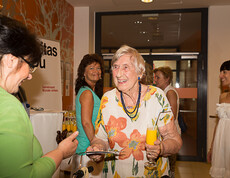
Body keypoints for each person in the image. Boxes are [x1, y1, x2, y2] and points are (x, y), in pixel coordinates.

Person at [0, 15, 78, 177]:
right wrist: (61, 152)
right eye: (30, 66)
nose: (29, 76)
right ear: (10, 60)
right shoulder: (8, 106)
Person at [87, 45, 182, 178]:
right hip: (115, 174)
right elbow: (100, 138)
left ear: (140, 72)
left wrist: (161, 148)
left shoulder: (156, 97)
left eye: (126, 67)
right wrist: (97, 148)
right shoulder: (107, 99)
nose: (119, 74)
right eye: (115, 67)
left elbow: (175, 141)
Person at [71, 54, 104, 177]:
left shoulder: (90, 92)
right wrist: (95, 143)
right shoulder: (87, 93)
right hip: (86, 150)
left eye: (98, 68)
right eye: (91, 68)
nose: (96, 71)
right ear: (83, 73)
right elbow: (86, 122)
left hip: (88, 149)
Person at [153, 66, 181, 178]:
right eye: (155, 77)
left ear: (167, 79)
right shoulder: (162, 92)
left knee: (170, 166)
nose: (155, 80)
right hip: (165, 132)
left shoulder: (170, 92)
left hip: (171, 133)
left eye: (158, 77)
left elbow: (172, 116)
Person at [207, 60, 230, 178]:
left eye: (224, 72)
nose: (221, 76)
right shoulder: (222, 96)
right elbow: (218, 123)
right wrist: (212, 147)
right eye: (220, 72)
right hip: (221, 143)